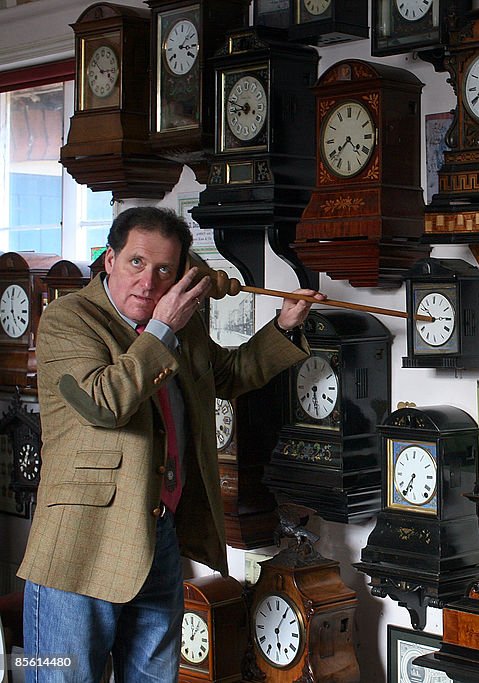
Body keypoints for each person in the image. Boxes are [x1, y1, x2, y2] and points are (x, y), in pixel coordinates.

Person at [18, 207, 324, 682]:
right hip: (80, 544)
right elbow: (105, 403)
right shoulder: (67, 320)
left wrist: (284, 326)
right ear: (108, 260)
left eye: (164, 269)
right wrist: (162, 329)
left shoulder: (183, 325)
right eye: (137, 263)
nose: (148, 281)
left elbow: (228, 376)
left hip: (158, 535)